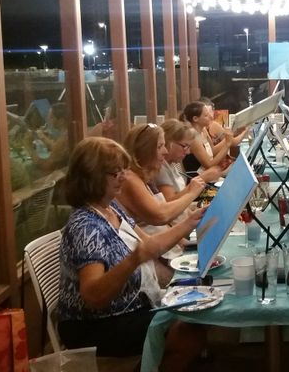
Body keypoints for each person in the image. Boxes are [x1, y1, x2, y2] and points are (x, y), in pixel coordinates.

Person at [57, 137, 205, 369]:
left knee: (197, 310)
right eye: (115, 173)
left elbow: (150, 244)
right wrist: (134, 259)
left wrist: (191, 222)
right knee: (187, 331)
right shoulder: (86, 227)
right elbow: (94, 296)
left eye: (123, 170)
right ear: (91, 176)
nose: (123, 177)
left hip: (130, 308)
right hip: (95, 325)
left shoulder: (110, 208)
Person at [116, 123, 208, 284]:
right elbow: (160, 215)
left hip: (164, 251)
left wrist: (184, 240)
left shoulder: (144, 177)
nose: (165, 151)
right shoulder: (130, 179)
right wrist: (192, 193)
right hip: (152, 260)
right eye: (160, 147)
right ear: (144, 150)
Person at [156, 119, 223, 201]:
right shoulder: (160, 168)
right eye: (185, 146)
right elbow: (170, 202)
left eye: (189, 147)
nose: (187, 152)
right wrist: (202, 178)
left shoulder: (172, 164)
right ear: (169, 143)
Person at [181, 101, 234, 175]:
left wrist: (228, 139)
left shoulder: (203, 130)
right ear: (195, 119)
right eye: (206, 115)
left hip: (209, 175)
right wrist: (227, 144)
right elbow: (209, 165)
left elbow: (212, 151)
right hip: (198, 178)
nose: (211, 117)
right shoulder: (193, 137)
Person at [24, 102, 69, 174]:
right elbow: (58, 149)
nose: (49, 120)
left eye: (51, 117)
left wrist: (29, 147)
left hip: (58, 177)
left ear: (61, 121)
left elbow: (46, 166)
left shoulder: (63, 140)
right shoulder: (69, 134)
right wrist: (43, 138)